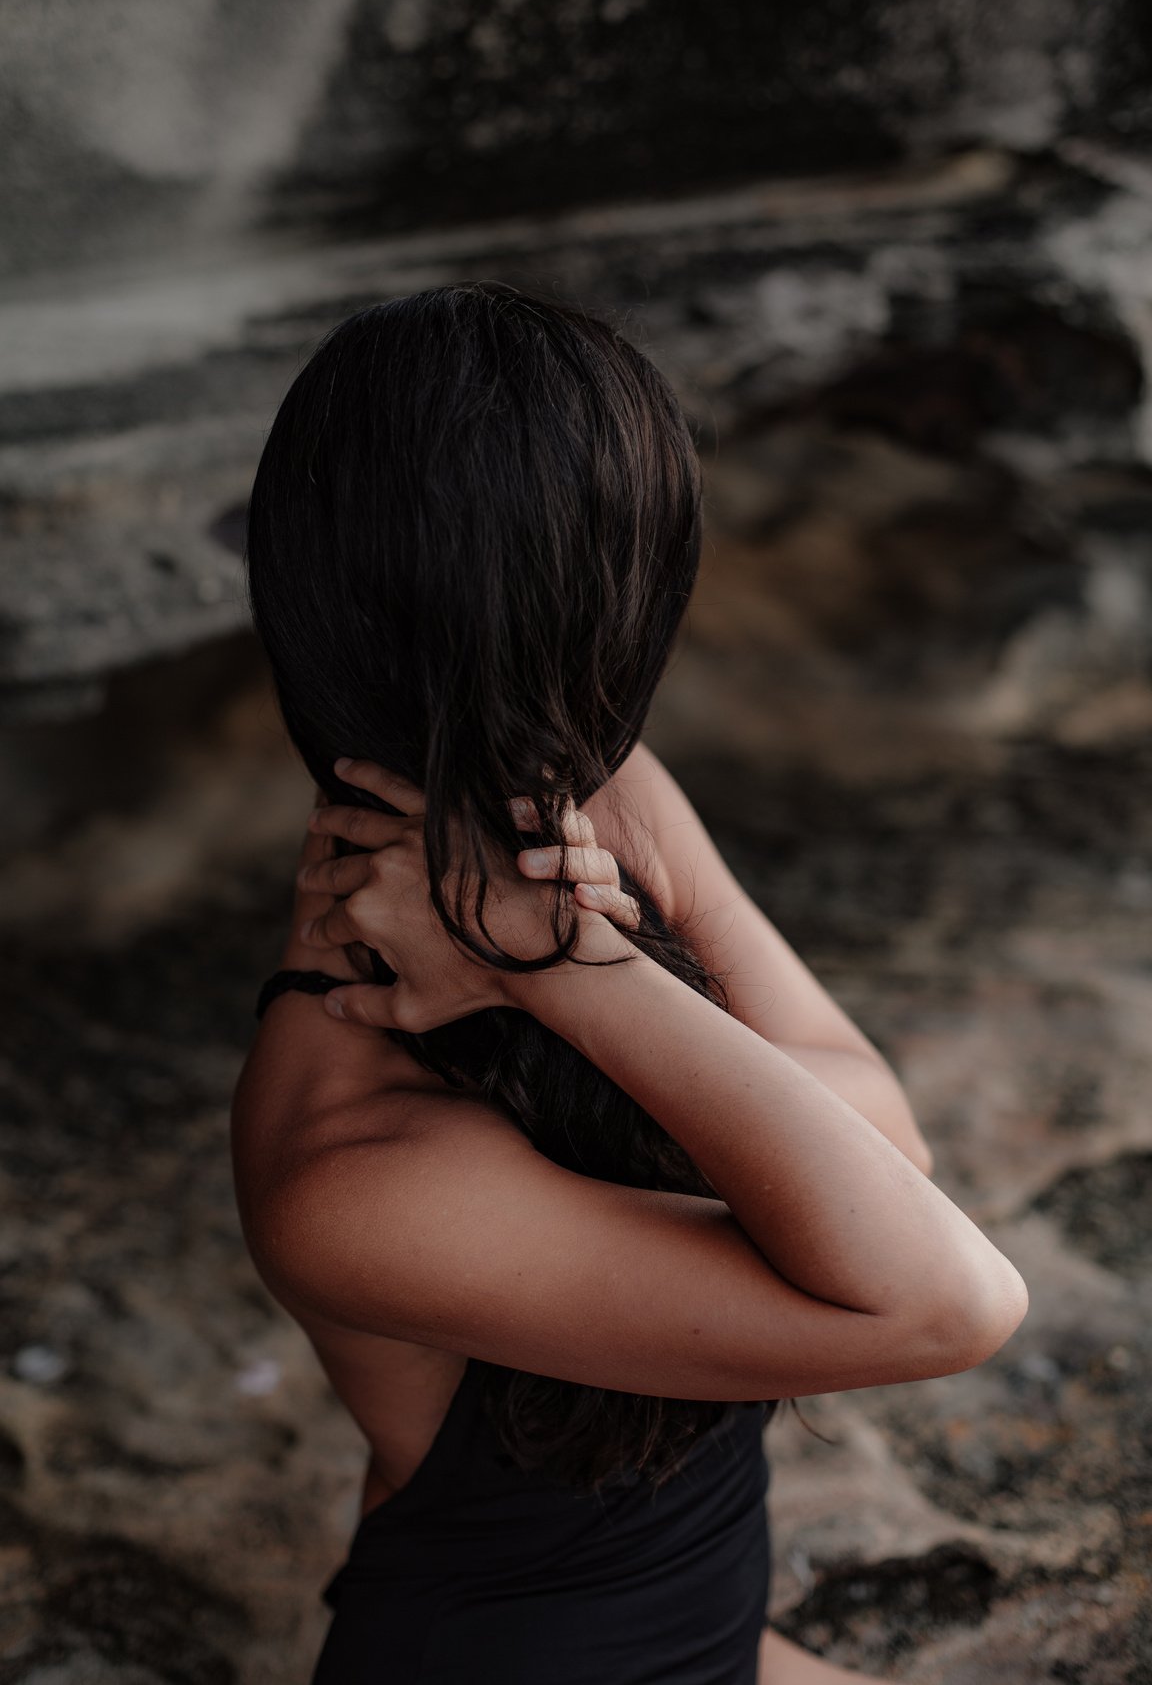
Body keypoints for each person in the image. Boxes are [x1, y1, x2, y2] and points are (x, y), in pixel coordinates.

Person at [231, 281, 1028, 1684]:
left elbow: (885, 1158)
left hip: (713, 1641)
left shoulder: (614, 802)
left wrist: (562, 962)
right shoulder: (353, 1169)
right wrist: (569, 972)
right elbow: (942, 1300)